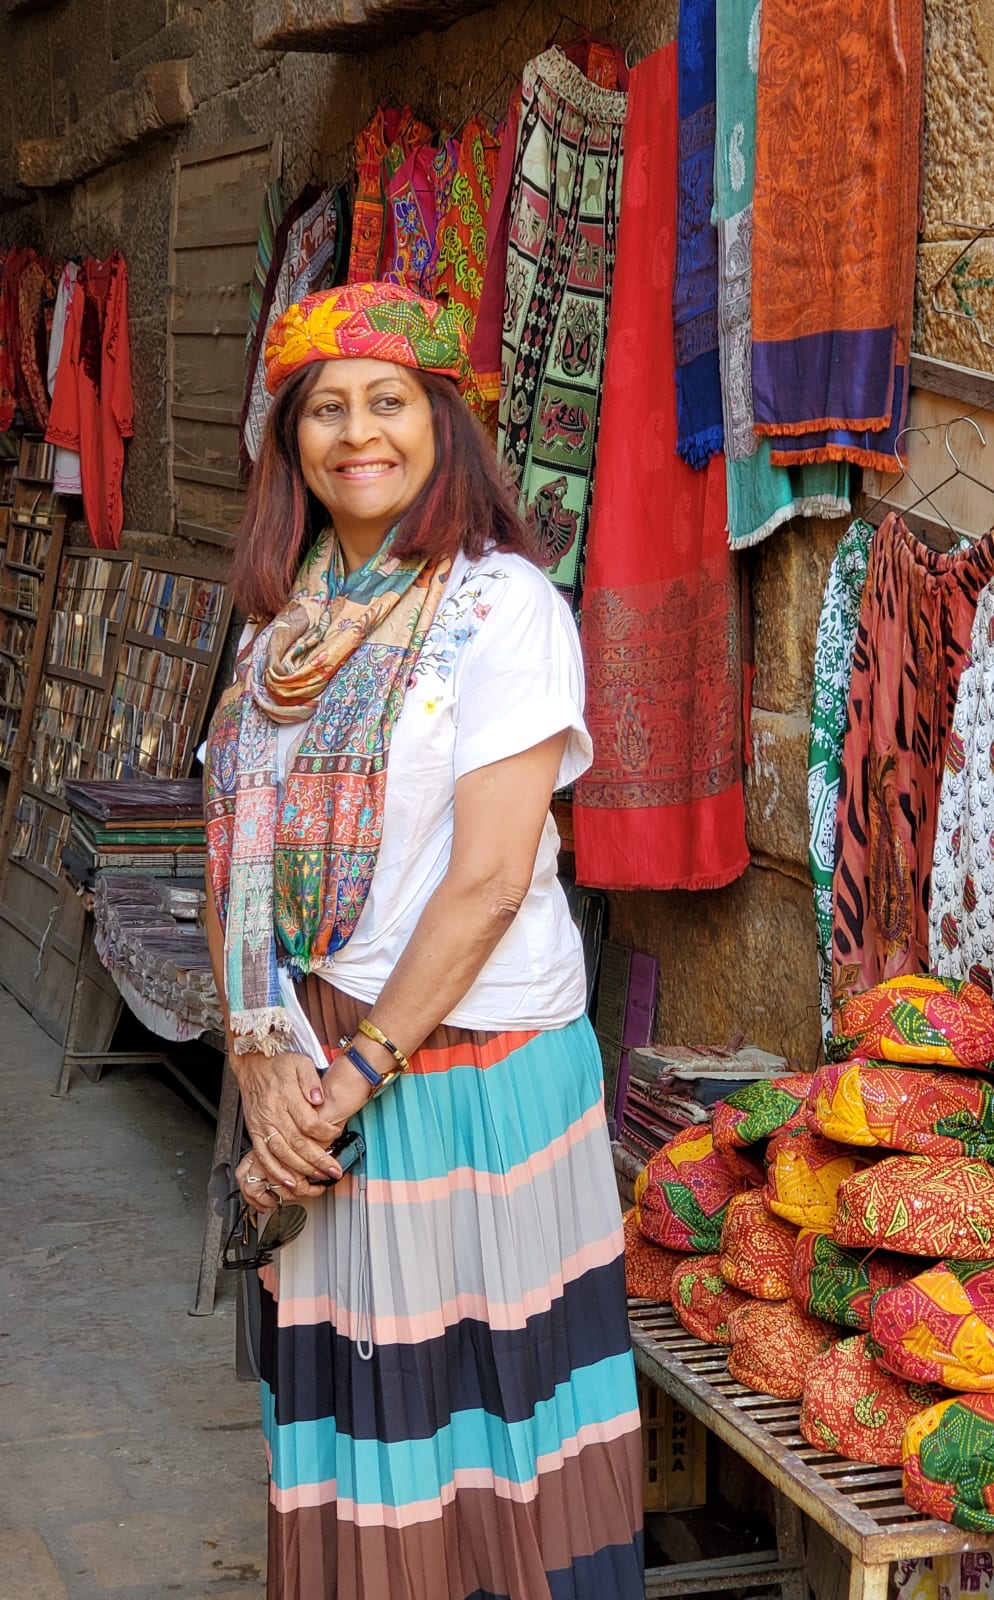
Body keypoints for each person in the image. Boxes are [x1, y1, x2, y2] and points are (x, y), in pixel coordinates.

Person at [204, 280, 644, 1600]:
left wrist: (346, 1079)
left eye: (388, 402)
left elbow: (490, 878)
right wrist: (262, 1062)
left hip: (468, 1076)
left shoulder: (503, 609)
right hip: (320, 1074)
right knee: (358, 1439)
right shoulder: (284, 629)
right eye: (324, 410)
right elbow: (244, 863)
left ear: (444, 426)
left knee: (494, 1437)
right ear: (288, 445)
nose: (358, 434)